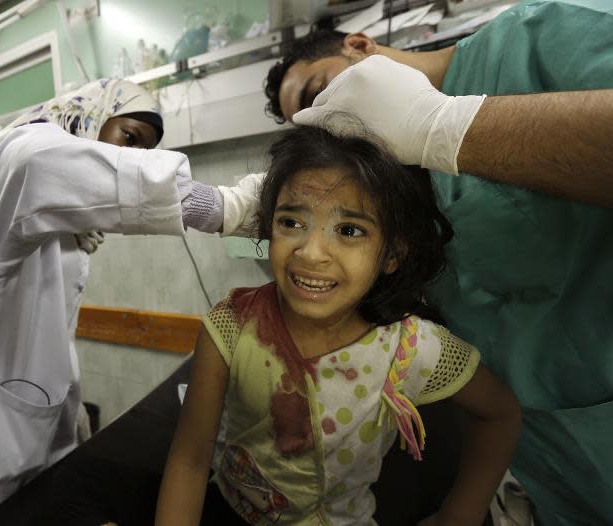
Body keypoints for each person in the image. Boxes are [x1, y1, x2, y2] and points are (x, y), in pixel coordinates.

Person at [241, 2, 613, 524]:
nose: (329, 121)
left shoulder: (536, 41)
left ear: (361, 46)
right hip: (555, 448)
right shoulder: (399, 192)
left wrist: (444, 126)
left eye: (318, 94)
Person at [0, 78, 225, 526]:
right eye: (129, 138)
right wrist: (222, 206)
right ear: (88, 117)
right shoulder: (13, 159)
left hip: (13, 430)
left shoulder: (62, 227)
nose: (132, 157)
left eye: (144, 150)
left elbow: (45, 330)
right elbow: (38, 163)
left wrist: (67, 411)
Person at [156, 126, 521, 526]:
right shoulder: (230, 326)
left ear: (392, 254)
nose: (310, 253)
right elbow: (190, 462)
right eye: (291, 222)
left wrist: (461, 514)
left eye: (349, 231)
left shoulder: (410, 347)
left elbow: (500, 414)